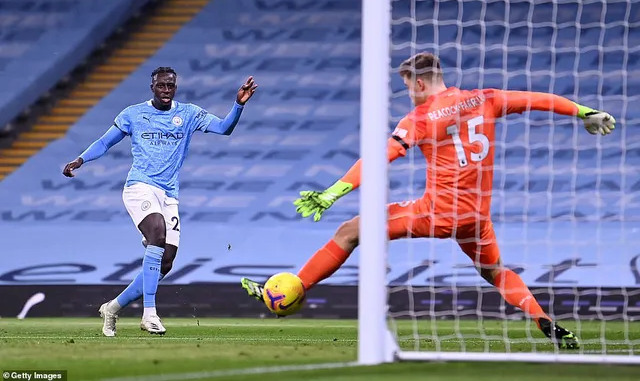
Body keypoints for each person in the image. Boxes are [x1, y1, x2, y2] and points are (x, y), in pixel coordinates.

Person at [241, 52, 617, 349]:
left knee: (349, 231)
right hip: (476, 217)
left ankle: (294, 290)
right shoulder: (484, 99)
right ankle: (542, 319)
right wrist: (584, 111)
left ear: (419, 82)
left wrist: (333, 191)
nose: (408, 93)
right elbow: (536, 99)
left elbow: (380, 157)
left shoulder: (420, 118)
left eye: (407, 86)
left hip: (436, 214)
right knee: (496, 272)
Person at [63, 67, 257, 336]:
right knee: (157, 234)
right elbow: (105, 142)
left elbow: (224, 128)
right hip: (139, 187)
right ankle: (150, 314)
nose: (166, 90)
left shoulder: (188, 114)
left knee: (165, 262)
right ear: (152, 87)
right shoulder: (133, 114)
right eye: (161, 86)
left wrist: (238, 104)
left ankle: (112, 308)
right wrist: (81, 159)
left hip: (169, 195)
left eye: (171, 86)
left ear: (175, 87)